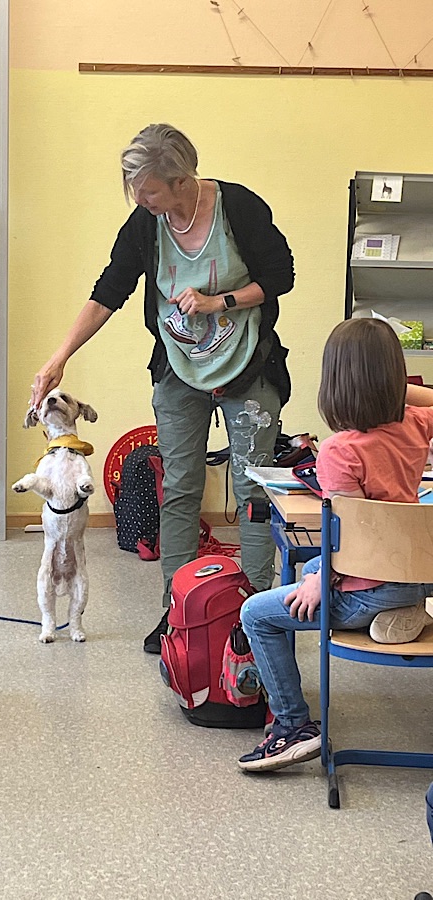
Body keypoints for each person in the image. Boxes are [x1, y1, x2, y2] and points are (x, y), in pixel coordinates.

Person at [31, 123, 295, 652]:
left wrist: (221, 302)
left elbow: (281, 274)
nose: (140, 199)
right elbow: (110, 289)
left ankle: (254, 618)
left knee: (251, 494)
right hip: (179, 369)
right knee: (178, 490)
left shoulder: (238, 208)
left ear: (180, 180)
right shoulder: (145, 224)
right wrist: (60, 356)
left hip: (250, 363)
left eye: (148, 189)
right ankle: (178, 611)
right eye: (135, 189)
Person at [238, 317, 433, 772]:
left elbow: (342, 541)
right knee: (309, 576)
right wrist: (394, 390)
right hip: (411, 580)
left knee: (258, 615)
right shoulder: (416, 425)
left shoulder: (339, 451)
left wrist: (318, 577)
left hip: (365, 586)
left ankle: (293, 726)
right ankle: (400, 611)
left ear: (334, 380)